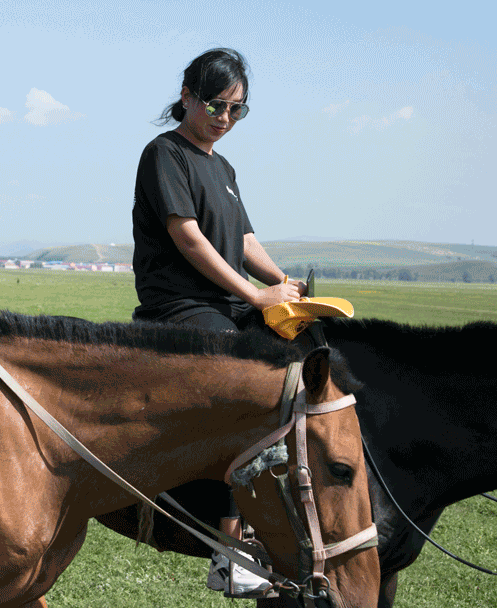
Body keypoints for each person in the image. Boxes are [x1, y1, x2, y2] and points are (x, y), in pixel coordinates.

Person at [130, 48, 305, 596]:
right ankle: (231, 552)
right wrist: (256, 296)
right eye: (215, 104)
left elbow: (244, 239)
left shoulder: (223, 167)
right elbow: (189, 238)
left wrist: (284, 284)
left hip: (227, 303)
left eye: (237, 110)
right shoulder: (164, 155)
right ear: (186, 96)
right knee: (250, 380)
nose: (224, 118)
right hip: (181, 305)